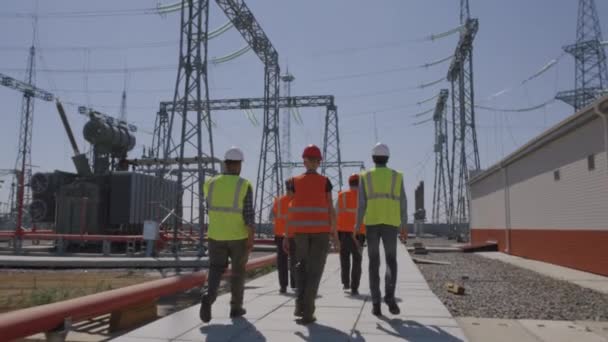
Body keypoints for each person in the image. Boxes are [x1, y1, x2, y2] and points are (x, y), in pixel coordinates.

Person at [283, 144, 340, 325]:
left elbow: (289, 209)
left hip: (299, 234)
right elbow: (331, 209)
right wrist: (335, 235)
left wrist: (286, 234)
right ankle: (307, 312)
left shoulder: (293, 182)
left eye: (315, 160)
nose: (315, 163)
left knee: (300, 270)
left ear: (304, 161)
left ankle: (300, 306)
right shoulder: (325, 182)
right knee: (314, 272)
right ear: (313, 162)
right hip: (321, 233)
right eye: (314, 160)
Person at [199, 147, 255, 323]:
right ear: (238, 165)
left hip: (216, 235)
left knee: (215, 268)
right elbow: (248, 215)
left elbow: (209, 206)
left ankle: (209, 296)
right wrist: (251, 238)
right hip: (238, 236)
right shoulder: (244, 184)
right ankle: (236, 308)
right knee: (238, 273)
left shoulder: (210, 183)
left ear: (225, 164)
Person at [355, 142, 408, 317]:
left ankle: (376, 303)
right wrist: (404, 225)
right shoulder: (396, 176)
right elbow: (403, 203)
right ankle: (390, 297)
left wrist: (357, 226)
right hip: (391, 224)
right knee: (391, 261)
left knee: (373, 263)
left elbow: (361, 204)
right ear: (388, 157)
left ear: (372, 158)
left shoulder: (365, 176)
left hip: (372, 224)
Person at [336, 173, 365, 296]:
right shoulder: (364, 198)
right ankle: (354, 287)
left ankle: (346, 283)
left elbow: (335, 213)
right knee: (357, 260)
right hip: (359, 234)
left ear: (349, 183)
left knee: (344, 258)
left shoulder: (341, 196)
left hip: (342, 233)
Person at [270, 181, 296, 293]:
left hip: (280, 235)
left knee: (282, 261)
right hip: (295, 235)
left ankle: (283, 286)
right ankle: (295, 284)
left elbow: (272, 217)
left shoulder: (278, 201)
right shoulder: (298, 201)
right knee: (296, 259)